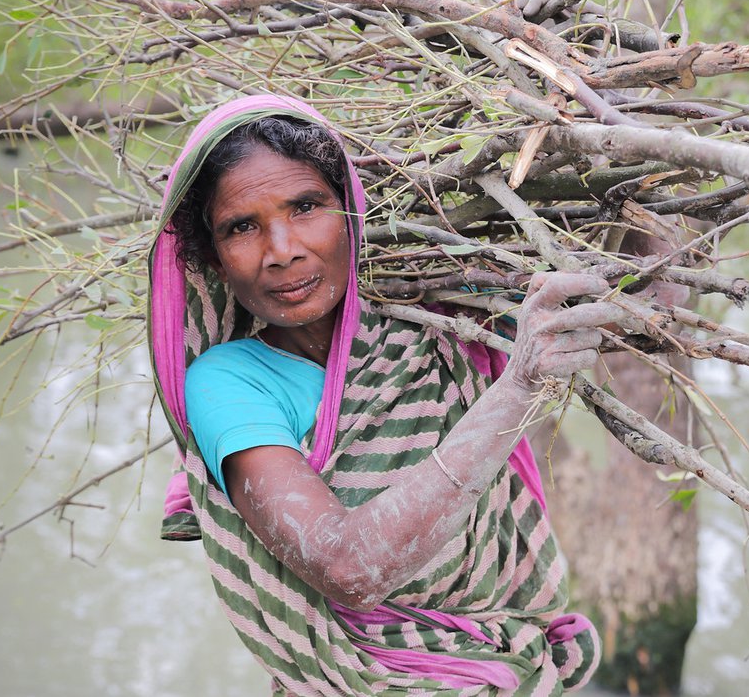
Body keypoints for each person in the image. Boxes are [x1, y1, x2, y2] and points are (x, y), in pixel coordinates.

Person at [149, 95, 620, 694]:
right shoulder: (229, 382)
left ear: (353, 211)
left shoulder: (445, 324)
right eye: (241, 227)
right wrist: (517, 390)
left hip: (513, 666)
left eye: (306, 206)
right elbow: (349, 569)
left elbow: (639, 315)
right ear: (211, 258)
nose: (283, 249)